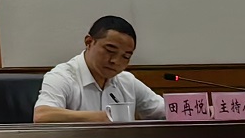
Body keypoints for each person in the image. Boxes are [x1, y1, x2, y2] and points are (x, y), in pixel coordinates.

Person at [34, 15, 167, 122]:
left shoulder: (126, 81)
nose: (116, 61)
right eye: (110, 51)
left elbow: (164, 110)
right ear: (89, 42)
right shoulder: (62, 76)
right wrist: (102, 117)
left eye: (125, 56)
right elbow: (42, 115)